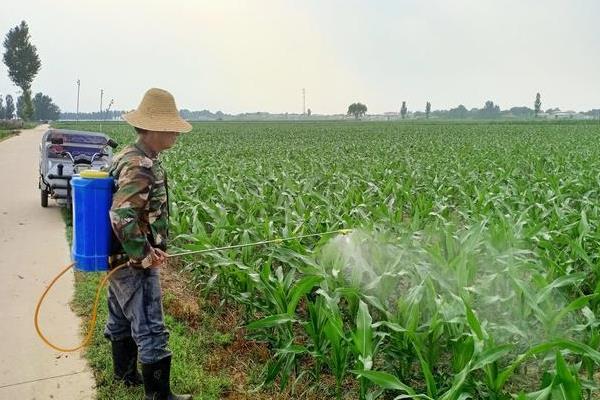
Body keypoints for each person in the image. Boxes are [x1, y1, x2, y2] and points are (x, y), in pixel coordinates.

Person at [104, 88, 192, 400]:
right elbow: (122, 215)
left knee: (120, 317)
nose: (175, 134)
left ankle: (125, 376)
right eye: (171, 127)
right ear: (155, 129)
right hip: (130, 262)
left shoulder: (127, 155)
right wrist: (142, 257)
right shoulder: (140, 165)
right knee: (152, 326)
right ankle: (160, 396)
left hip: (115, 256)